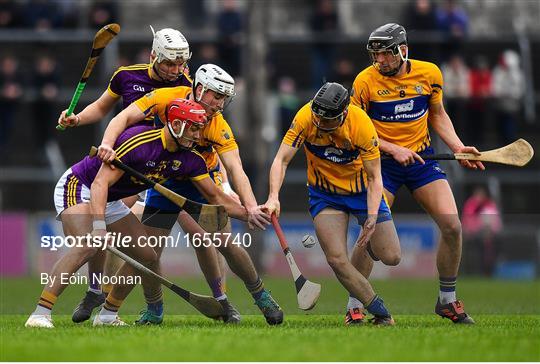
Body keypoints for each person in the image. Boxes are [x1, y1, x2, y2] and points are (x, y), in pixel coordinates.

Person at [25, 98, 248, 328]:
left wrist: (250, 213)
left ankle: (107, 315)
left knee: (147, 255)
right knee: (89, 244)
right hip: (81, 186)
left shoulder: (190, 159)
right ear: (178, 125)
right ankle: (41, 313)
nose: (197, 134)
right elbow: (100, 183)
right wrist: (99, 227)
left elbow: (217, 198)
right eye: (193, 128)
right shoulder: (139, 142)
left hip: (109, 198)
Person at [94, 64, 284, 326]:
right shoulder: (166, 97)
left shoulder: (218, 125)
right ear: (199, 89)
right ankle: (124, 311)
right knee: (146, 251)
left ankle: (261, 296)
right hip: (166, 179)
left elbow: (235, 168)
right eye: (216, 96)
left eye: (224, 98)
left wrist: (250, 207)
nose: (219, 104)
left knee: (223, 241)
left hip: (201, 180)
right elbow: (122, 118)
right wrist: (106, 143)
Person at [55, 26, 198, 324]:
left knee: (173, 241)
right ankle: (96, 291)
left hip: (160, 168)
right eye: (169, 62)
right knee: (100, 225)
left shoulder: (187, 83)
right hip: (127, 165)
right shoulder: (126, 75)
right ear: (153, 56)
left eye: (180, 63)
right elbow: (101, 108)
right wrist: (77, 118)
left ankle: (125, 306)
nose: (175, 70)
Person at [350, 23, 483, 324]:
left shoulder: (430, 74)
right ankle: (354, 303)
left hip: (421, 162)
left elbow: (437, 114)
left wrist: (459, 147)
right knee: (369, 231)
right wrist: (391, 148)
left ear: (403, 50)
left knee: (453, 227)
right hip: (381, 164)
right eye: (375, 55)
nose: (379, 61)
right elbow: (355, 129)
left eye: (385, 54)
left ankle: (446, 301)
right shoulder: (364, 82)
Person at [264, 82, 401, 326]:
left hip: (361, 191)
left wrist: (371, 216)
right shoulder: (306, 116)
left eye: (328, 121)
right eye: (318, 117)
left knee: (391, 256)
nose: (320, 124)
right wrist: (274, 196)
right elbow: (281, 160)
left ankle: (366, 248)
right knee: (337, 259)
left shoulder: (361, 124)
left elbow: (374, 177)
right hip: (325, 195)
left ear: (344, 113)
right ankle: (378, 311)